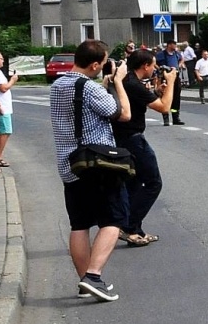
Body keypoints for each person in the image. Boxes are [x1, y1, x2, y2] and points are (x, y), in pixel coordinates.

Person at [48, 40, 132, 302]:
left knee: (80, 224)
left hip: (69, 163)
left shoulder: (57, 85)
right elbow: (123, 114)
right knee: (114, 219)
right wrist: (118, 82)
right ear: (95, 64)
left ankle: (86, 281)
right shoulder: (88, 87)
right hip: (97, 164)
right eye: (104, 62)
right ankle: (94, 276)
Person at [114, 48, 175, 246]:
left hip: (124, 139)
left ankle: (133, 229)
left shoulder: (129, 81)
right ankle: (129, 227)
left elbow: (145, 100)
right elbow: (165, 108)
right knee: (153, 183)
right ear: (145, 66)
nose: (155, 68)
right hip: (133, 140)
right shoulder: (132, 84)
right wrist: (172, 82)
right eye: (153, 64)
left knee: (134, 184)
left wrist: (157, 92)